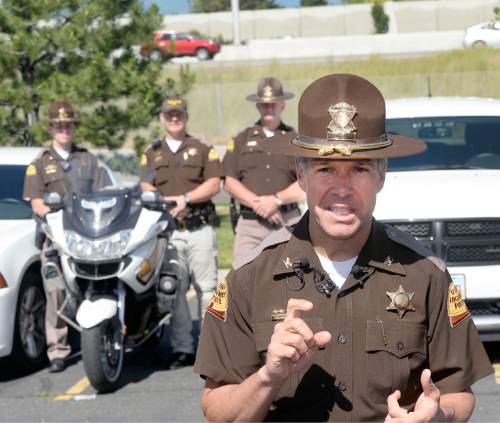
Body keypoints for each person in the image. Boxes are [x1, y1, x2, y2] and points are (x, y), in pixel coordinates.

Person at [194, 74, 493, 421]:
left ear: (381, 176)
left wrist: (437, 417)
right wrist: (267, 377)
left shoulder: (424, 274)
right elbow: (217, 412)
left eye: (359, 169)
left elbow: (458, 394)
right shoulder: (250, 278)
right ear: (301, 176)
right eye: (325, 169)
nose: (342, 188)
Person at [23, 101, 111, 373]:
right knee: (57, 294)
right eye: (59, 125)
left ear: (74, 127)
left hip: (89, 238)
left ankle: (102, 340)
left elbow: (104, 195)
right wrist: (55, 214)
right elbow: (36, 203)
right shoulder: (39, 163)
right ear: (50, 127)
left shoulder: (88, 159)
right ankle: (58, 350)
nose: (64, 129)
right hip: (56, 240)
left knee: (99, 286)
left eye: (68, 125)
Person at [140, 95, 223, 370]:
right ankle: (183, 349)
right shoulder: (152, 152)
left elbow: (214, 185)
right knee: (174, 291)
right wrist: (166, 203)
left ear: (186, 117)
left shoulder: (201, 148)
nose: (174, 118)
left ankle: (213, 347)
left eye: (179, 114)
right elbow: (145, 186)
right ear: (162, 118)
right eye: (169, 114)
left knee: (209, 290)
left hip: (199, 229)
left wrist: (184, 199)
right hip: (169, 233)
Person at [223, 77, 305, 261]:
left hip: (288, 220)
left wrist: (276, 200)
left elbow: (306, 182)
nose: (269, 108)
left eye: (273, 104)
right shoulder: (241, 139)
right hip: (250, 224)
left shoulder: (296, 140)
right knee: (243, 278)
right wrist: (260, 205)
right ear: (258, 106)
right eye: (264, 104)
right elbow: (229, 182)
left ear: (282, 105)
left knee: (294, 276)